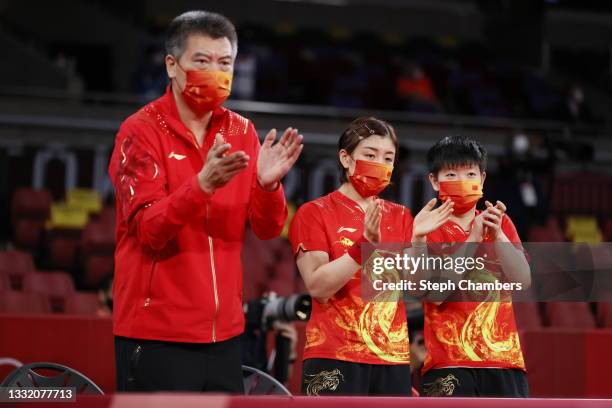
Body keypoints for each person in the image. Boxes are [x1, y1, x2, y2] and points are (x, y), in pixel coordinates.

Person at [109, 10, 303, 393]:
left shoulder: (240, 130)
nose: (215, 71)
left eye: (224, 63)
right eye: (202, 61)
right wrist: (201, 186)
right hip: (157, 335)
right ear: (172, 65)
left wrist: (267, 187)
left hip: (226, 336)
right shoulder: (140, 132)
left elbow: (265, 230)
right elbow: (149, 230)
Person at [288, 116, 452, 396]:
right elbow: (319, 287)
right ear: (346, 158)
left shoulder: (400, 215)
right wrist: (364, 245)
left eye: (388, 157)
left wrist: (419, 239)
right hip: (334, 356)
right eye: (370, 155)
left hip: (393, 359)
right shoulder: (314, 213)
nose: (380, 164)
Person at [417, 135, 531, 397]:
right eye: (452, 175)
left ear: (482, 179)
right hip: (448, 363)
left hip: (504, 360)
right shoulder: (425, 228)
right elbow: (435, 294)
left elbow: (523, 280)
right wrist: (473, 240)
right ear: (434, 181)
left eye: (470, 174)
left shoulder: (501, 223)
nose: (463, 182)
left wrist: (499, 236)